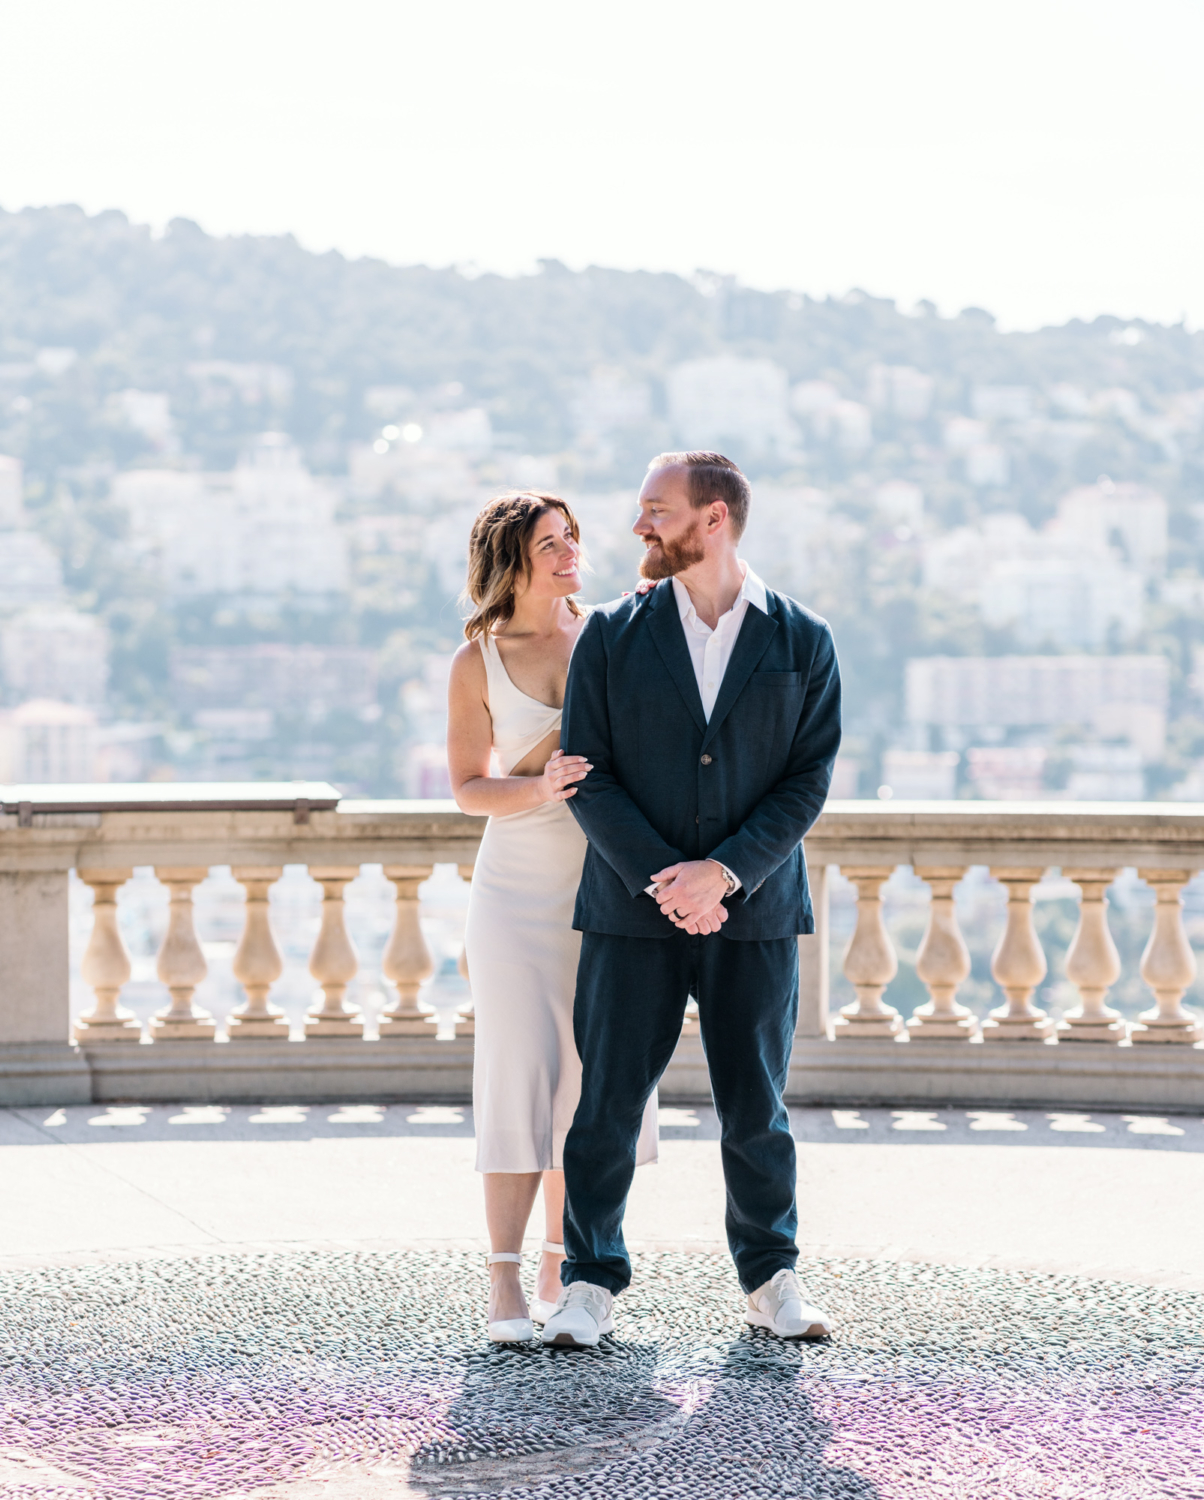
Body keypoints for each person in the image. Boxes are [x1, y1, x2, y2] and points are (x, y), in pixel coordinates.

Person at [540, 451, 842, 1349]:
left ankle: (772, 1277)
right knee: (606, 1105)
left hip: (755, 913)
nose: (638, 526)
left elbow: (807, 781)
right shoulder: (610, 635)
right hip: (632, 911)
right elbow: (584, 775)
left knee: (757, 1106)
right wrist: (667, 878)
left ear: (713, 519)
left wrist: (726, 872)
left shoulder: (804, 640)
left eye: (655, 510)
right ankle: (588, 1280)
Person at [447, 491, 657, 1344]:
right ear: (512, 559)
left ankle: (566, 1273)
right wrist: (537, 786)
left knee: (589, 1084)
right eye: (549, 544)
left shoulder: (612, 635)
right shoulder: (478, 661)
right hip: (514, 895)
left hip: (604, 889)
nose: (570, 554)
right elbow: (468, 789)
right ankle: (503, 1285)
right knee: (515, 1077)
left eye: (573, 539)